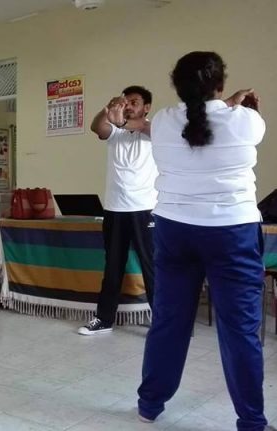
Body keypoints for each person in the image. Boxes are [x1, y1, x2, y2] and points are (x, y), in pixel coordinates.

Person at [137, 52, 273, 431]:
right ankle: (251, 422)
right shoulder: (247, 121)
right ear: (220, 84)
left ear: (177, 86)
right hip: (232, 232)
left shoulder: (162, 121)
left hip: (173, 230)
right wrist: (238, 105)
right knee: (240, 329)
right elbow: (217, 118)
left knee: (169, 321)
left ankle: (149, 405)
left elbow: (201, 118)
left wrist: (226, 103)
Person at [78, 86, 157, 335]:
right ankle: (104, 319)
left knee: (152, 268)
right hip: (114, 209)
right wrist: (107, 110)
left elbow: (143, 127)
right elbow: (97, 127)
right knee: (112, 266)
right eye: (126, 102)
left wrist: (121, 120)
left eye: (134, 102)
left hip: (146, 209)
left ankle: (163, 322)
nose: (129, 106)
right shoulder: (115, 132)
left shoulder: (154, 129)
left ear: (146, 107)